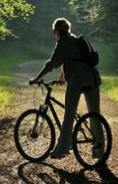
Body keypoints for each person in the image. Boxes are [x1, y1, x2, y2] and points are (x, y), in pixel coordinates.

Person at [29, 18, 104, 159]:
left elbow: (51, 64)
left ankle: (62, 149)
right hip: (92, 76)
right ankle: (100, 153)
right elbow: (72, 60)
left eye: (54, 32)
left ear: (57, 31)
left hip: (77, 79)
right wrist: (62, 78)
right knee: (95, 115)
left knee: (69, 115)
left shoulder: (63, 42)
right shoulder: (75, 40)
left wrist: (37, 79)